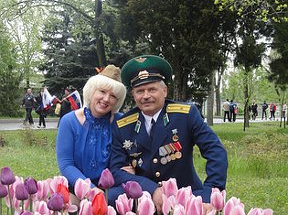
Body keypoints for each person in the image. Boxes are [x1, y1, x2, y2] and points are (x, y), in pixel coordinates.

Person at [109, 55, 228, 213]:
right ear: (133, 95)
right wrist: (151, 189)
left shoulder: (185, 115)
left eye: (152, 89)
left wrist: (209, 194)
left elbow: (216, 152)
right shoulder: (123, 125)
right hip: (144, 197)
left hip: (184, 194)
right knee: (111, 197)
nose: (146, 96)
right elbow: (116, 171)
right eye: (140, 91)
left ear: (164, 91)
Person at [56, 65, 133, 208]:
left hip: (112, 189)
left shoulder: (122, 122)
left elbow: (134, 152)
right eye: (102, 91)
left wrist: (133, 166)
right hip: (77, 186)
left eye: (113, 96)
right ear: (92, 91)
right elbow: (66, 164)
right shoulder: (69, 121)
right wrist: (91, 190)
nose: (106, 99)